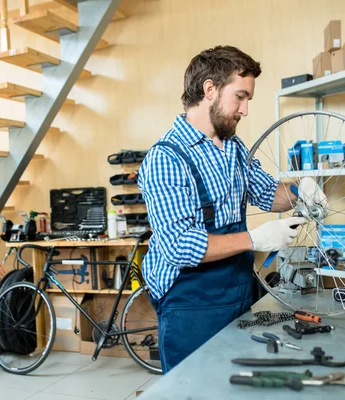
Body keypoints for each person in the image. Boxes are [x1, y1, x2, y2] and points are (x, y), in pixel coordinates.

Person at [137, 45, 327, 374]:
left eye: (248, 99)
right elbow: (179, 246)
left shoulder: (234, 148)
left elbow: (268, 193)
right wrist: (254, 238)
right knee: (194, 390)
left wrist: (301, 190)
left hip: (239, 293)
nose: (246, 109)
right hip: (190, 305)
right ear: (209, 89)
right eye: (240, 96)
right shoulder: (166, 158)